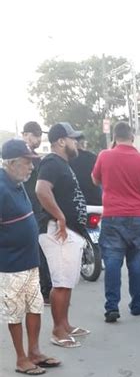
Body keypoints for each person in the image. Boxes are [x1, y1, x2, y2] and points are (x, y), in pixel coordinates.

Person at [91, 121, 140, 322]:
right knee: (137, 262)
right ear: (132, 137)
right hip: (138, 217)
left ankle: (112, 307)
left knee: (112, 262)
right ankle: (137, 305)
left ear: (114, 138)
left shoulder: (104, 156)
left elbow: (95, 180)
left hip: (113, 217)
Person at [0, 139, 60, 374]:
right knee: (14, 312)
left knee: (34, 307)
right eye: (27, 162)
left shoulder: (18, 183)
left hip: (30, 261)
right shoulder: (1, 188)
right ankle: (21, 358)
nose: (31, 167)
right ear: (12, 163)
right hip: (10, 265)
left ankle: (34, 351)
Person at [36, 122, 88, 347]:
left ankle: (65, 324)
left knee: (67, 281)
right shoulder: (52, 162)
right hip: (57, 230)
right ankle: (58, 331)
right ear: (60, 141)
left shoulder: (62, 164)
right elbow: (41, 190)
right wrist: (60, 216)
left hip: (68, 231)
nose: (76, 143)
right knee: (61, 282)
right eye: (72, 138)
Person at [22, 121, 52, 304]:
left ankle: (45, 289)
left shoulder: (35, 158)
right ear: (25, 134)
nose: (38, 139)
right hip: (27, 210)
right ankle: (44, 290)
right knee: (37, 251)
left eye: (40, 135)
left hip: (36, 210)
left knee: (39, 250)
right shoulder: (24, 157)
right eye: (34, 134)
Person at [69, 135, 102, 206]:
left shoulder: (67, 159)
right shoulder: (93, 157)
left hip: (74, 203)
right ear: (83, 144)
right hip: (95, 201)